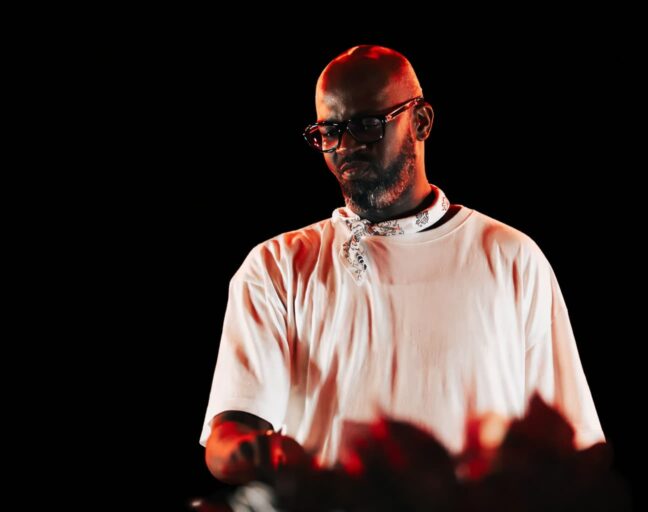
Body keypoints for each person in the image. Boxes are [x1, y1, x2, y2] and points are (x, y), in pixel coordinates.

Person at [200, 45, 604, 485]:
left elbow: (573, 448)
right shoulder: (277, 268)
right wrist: (246, 452)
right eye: (329, 131)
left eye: (367, 126)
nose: (347, 147)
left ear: (422, 121)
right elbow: (233, 428)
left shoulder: (511, 258)